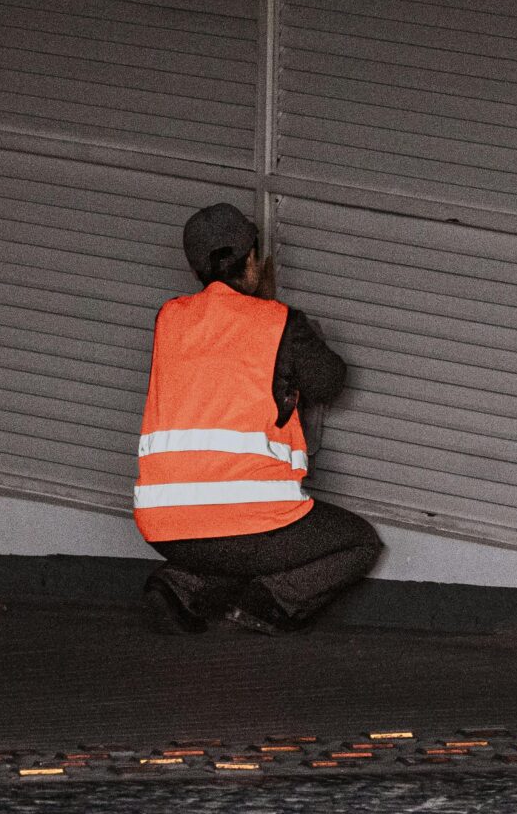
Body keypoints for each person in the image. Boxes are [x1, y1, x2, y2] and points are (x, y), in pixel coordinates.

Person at [133, 203, 382, 634]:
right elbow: (329, 382)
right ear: (252, 258)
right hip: (248, 520)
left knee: (230, 541)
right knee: (358, 542)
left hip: (161, 522)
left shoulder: (169, 318)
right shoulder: (280, 322)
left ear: (196, 270)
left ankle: (178, 584)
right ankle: (268, 603)